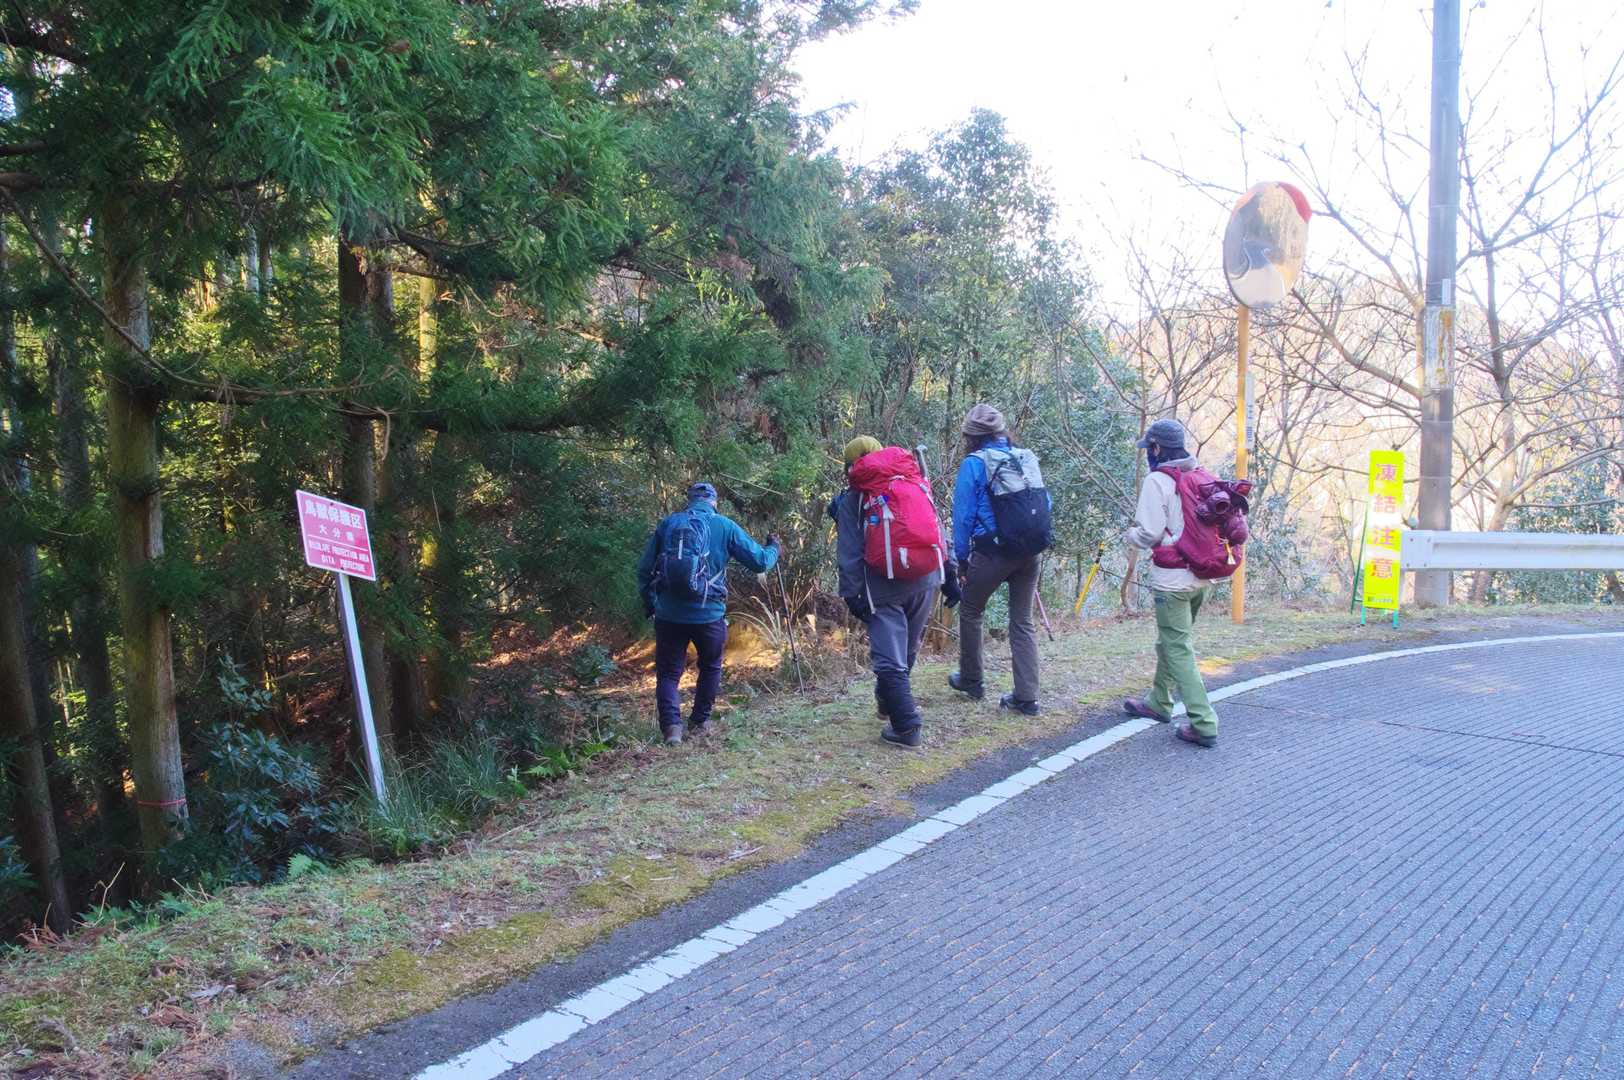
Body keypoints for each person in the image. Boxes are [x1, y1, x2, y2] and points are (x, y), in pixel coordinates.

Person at [831, 436, 960, 749]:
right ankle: (889, 702)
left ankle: (906, 727)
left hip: (883, 586)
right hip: (926, 579)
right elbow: (938, 530)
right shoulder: (914, 481)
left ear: (850, 467)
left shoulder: (854, 498)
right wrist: (949, 574)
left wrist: (851, 594)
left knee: (890, 658)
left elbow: (849, 551)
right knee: (907, 649)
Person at [637, 482, 780, 746]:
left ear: (689, 501)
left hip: (669, 615)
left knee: (668, 673)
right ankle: (699, 722)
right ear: (714, 502)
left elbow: (644, 570)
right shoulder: (725, 526)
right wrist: (774, 547)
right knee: (711, 666)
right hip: (709, 614)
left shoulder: (669, 524)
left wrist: (652, 605)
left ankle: (672, 729)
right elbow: (760, 561)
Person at [1121, 418, 1220, 748]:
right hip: (1203, 575)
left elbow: (1149, 533)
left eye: (1149, 448)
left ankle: (1204, 722)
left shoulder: (1157, 480)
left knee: (1178, 648)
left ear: (1157, 448)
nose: (1148, 453)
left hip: (1173, 580)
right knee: (1171, 642)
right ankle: (1158, 701)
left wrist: (1130, 535)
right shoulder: (1201, 474)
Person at [947, 404, 1052, 716]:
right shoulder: (1025, 457)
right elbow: (1045, 502)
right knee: (1022, 621)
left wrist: (961, 559)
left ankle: (972, 680)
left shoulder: (974, 463)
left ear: (971, 436)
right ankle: (1027, 697)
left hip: (992, 552)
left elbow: (963, 516)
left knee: (971, 609)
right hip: (1030, 551)